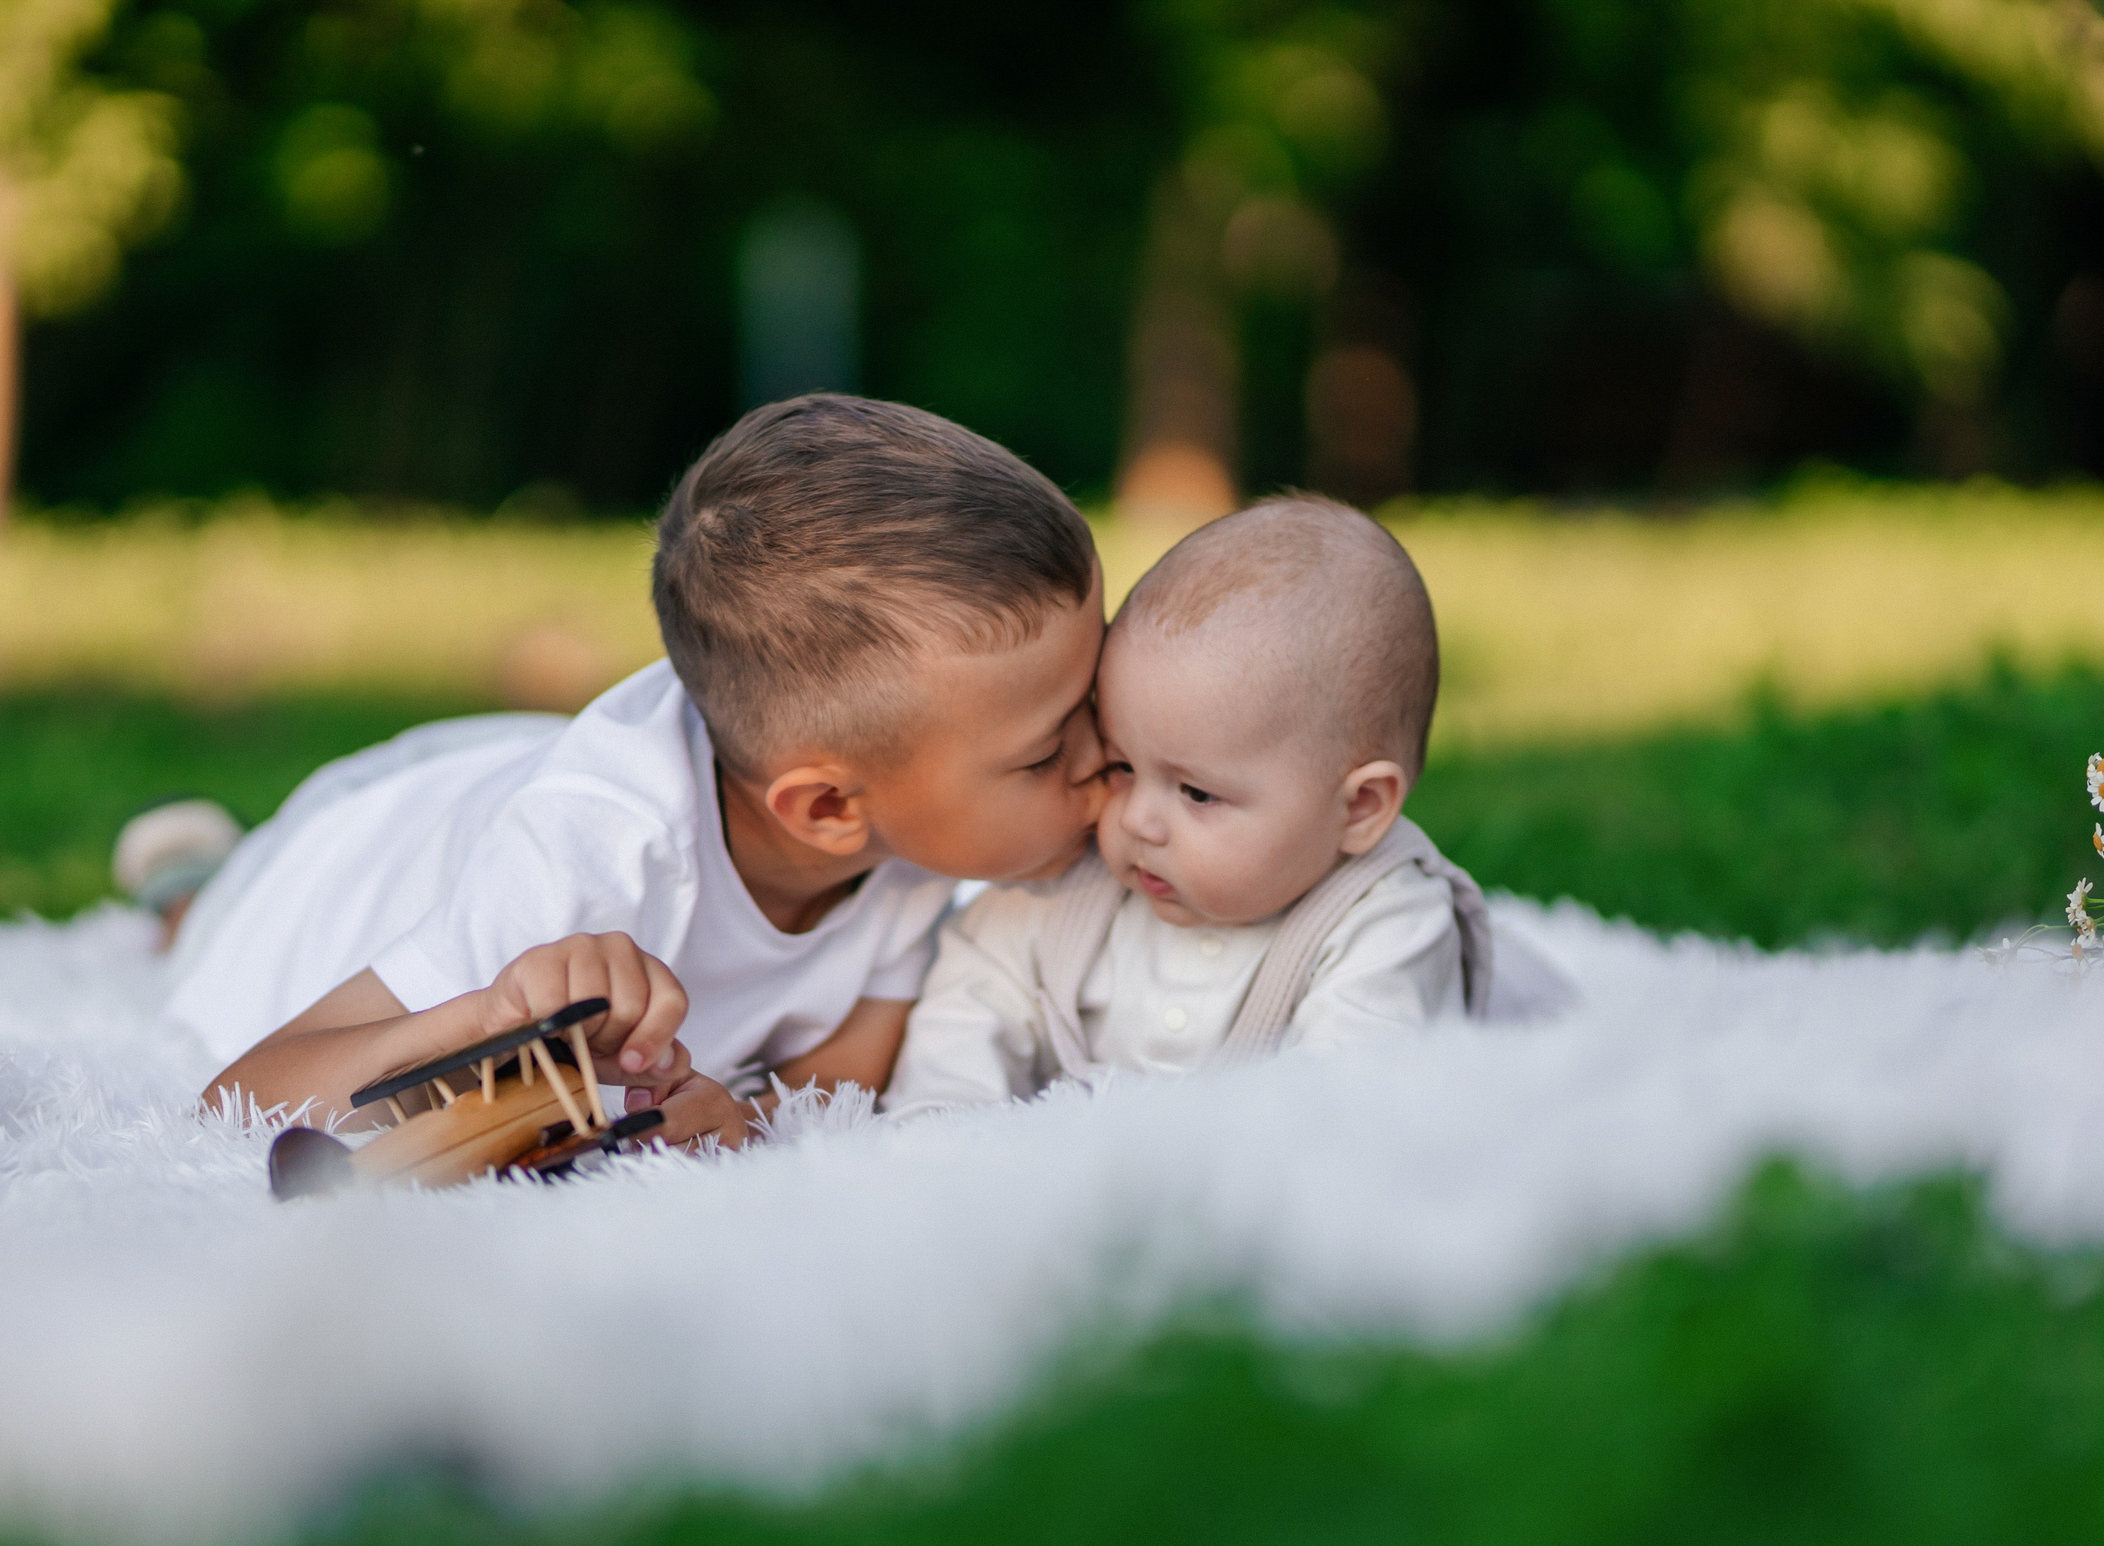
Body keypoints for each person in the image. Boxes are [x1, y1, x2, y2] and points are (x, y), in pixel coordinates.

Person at [150, 394, 1110, 1143]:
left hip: (503, 765)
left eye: (1096, 700)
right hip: (345, 858)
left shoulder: (901, 828)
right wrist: (487, 1010)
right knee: (214, 917)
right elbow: (244, 1094)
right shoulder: (586, 866)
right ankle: (186, 883)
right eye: (1047, 749)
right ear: (825, 809)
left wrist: (752, 1120)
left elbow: (842, 1069)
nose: (1107, 753)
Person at [885, 494, 1503, 1116]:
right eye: (1122, 765)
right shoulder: (1075, 880)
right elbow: (976, 993)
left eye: (1198, 793)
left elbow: (1348, 1116)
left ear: (1360, 809)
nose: (1135, 819)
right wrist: (944, 1131)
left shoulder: (1389, 922)